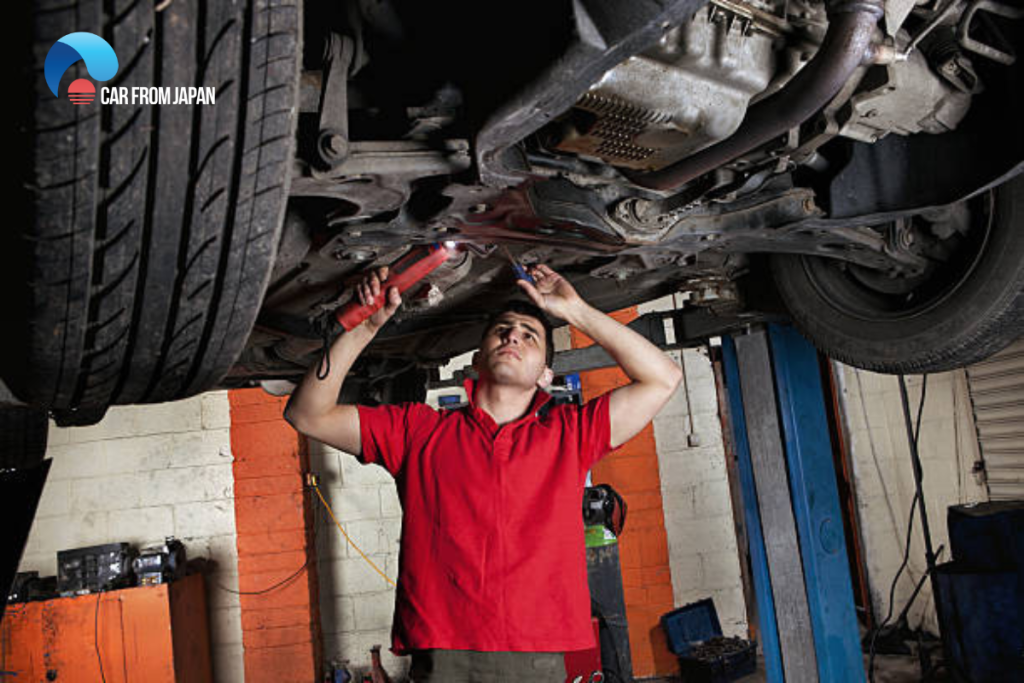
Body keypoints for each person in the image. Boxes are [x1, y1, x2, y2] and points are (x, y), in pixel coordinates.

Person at [285, 263, 683, 682]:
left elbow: (663, 378)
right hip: (444, 655)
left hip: (535, 653)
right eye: (503, 329)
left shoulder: (570, 435)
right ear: (476, 358)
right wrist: (366, 328)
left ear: (546, 375)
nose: (513, 335)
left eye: (530, 336)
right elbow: (308, 415)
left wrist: (576, 311)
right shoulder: (418, 431)